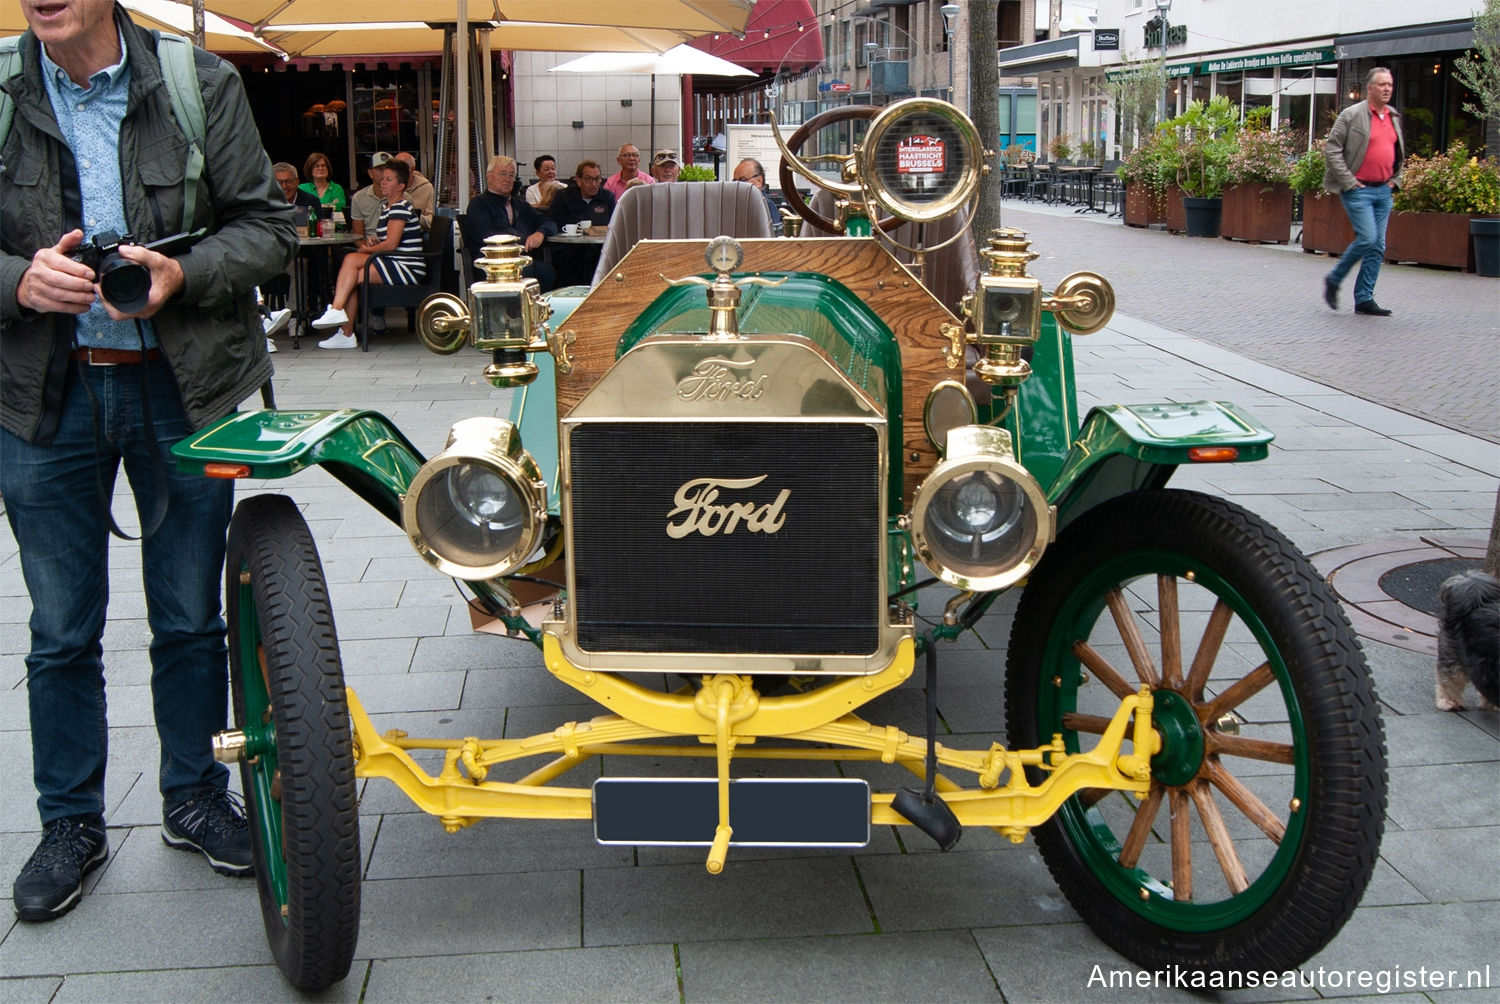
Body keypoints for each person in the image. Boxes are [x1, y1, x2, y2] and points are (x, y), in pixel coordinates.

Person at [0, 0, 297, 922]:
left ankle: (193, 796)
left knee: (189, 617)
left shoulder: (197, 80)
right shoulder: (4, 90)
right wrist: (16, 280)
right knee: (60, 628)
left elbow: (268, 226)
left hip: (182, 386)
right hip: (43, 395)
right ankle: (72, 823)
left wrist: (180, 274)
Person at [310, 158, 424, 349]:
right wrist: (374, 241)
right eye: (383, 178)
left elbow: (392, 244)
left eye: (389, 179)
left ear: (401, 186)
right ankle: (345, 334)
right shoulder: (387, 207)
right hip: (393, 262)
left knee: (352, 258)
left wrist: (366, 248)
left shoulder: (400, 207)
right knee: (351, 277)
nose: (383, 182)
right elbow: (388, 240)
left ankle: (337, 312)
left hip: (407, 267)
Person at [1322, 67, 1405, 316]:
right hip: (1358, 189)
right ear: (1370, 88)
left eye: (1390, 84)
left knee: (1377, 247)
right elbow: (1332, 149)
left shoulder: (1393, 116)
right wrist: (1348, 181)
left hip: (1383, 191)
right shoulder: (1351, 115)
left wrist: (1396, 179)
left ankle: (1364, 299)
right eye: (1382, 85)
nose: (1387, 89)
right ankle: (1334, 279)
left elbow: (1399, 153)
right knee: (1368, 238)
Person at [461, 155, 557, 292]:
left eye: (511, 175)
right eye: (503, 174)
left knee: (547, 272)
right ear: (489, 177)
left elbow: (549, 221)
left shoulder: (519, 204)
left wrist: (540, 233)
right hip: (493, 264)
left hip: (520, 261)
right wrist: (521, 241)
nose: (508, 179)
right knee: (527, 272)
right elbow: (484, 238)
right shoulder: (479, 205)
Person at [547, 160, 615, 287]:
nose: (593, 184)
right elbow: (554, 222)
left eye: (597, 179)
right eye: (588, 179)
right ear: (578, 180)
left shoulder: (607, 198)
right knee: (575, 258)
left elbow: (615, 224)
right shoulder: (563, 197)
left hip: (599, 248)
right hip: (569, 249)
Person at [349, 151, 393, 238]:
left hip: (394, 249)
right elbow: (358, 238)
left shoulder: (404, 198)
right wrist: (368, 249)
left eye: (388, 169)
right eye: (380, 169)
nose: (384, 173)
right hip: (368, 247)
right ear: (370, 173)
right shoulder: (358, 198)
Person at [733, 157, 782, 235]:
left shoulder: (767, 206)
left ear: (759, 181)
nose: (737, 184)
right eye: (734, 181)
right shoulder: (735, 206)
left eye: (742, 180)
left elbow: (771, 237)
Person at [395, 151, 434, 229]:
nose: (397, 172)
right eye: (395, 168)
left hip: (415, 231)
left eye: (401, 168)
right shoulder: (390, 187)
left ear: (412, 170)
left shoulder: (427, 187)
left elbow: (432, 221)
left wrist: (413, 215)